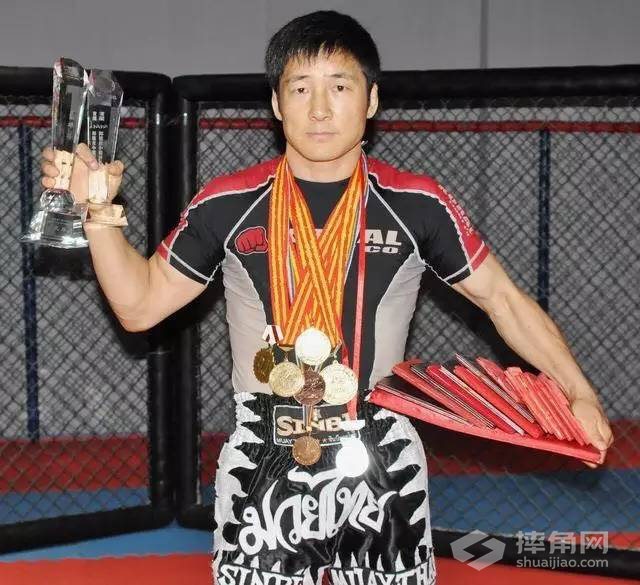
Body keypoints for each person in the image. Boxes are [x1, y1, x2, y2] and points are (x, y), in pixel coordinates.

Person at [40, 10, 613, 585]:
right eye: (300, 88)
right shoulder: (227, 202)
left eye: (339, 87)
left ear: (371, 100)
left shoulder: (417, 203)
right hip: (266, 452)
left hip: (381, 452)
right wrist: (97, 211)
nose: (319, 109)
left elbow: (504, 301)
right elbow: (139, 307)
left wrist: (579, 393)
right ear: (275, 103)